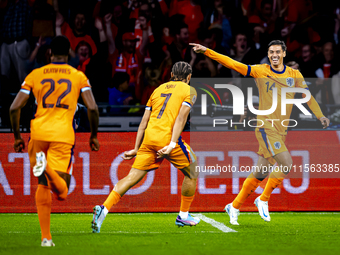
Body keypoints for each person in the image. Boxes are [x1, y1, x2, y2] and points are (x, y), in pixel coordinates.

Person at [190, 40, 330, 225]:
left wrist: (320, 116)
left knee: (261, 172)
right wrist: (207, 51)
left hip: (281, 130)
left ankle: (235, 205)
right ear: (268, 53)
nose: (274, 55)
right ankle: (263, 199)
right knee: (286, 163)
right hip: (265, 127)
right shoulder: (260, 70)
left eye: (278, 52)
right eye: (271, 52)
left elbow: (308, 97)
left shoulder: (294, 75)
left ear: (284, 54)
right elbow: (232, 63)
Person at [9, 36, 100, 246]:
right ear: (69, 53)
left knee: (43, 185)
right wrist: (94, 135)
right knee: (63, 193)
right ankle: (47, 167)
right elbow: (93, 108)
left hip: (38, 133)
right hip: (62, 135)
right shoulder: (78, 76)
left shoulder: (36, 74)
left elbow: (14, 107)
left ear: (49, 53)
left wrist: (16, 136)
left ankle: (46, 238)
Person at [91, 61, 199, 233]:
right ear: (189, 77)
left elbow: (143, 121)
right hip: (167, 138)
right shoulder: (189, 90)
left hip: (149, 139)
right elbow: (181, 118)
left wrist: (136, 148)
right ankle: (183, 216)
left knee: (131, 177)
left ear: (171, 74)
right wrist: (172, 144)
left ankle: (103, 209)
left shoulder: (158, 90)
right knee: (193, 172)